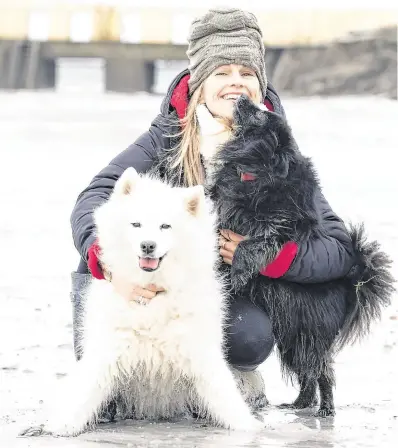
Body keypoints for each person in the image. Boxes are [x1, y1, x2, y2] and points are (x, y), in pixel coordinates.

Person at [69, 7, 356, 410]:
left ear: (260, 84)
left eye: (246, 72)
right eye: (222, 72)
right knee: (102, 319)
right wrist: (107, 263)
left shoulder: (277, 150)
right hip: (153, 272)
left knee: (249, 338)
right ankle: (122, 383)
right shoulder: (165, 138)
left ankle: (222, 380)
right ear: (200, 83)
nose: (235, 83)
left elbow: (338, 250)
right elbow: (94, 197)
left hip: (212, 292)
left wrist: (267, 256)